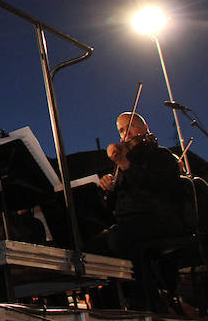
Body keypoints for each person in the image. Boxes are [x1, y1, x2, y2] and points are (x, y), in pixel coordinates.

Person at [88, 111, 186, 308]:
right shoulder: (124, 162)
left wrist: (125, 164)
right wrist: (108, 188)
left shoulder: (162, 156)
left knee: (119, 238)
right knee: (91, 248)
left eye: (130, 127)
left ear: (144, 128)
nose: (126, 134)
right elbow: (115, 205)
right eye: (121, 131)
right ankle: (107, 306)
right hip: (128, 224)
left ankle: (148, 300)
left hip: (158, 219)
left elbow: (157, 187)